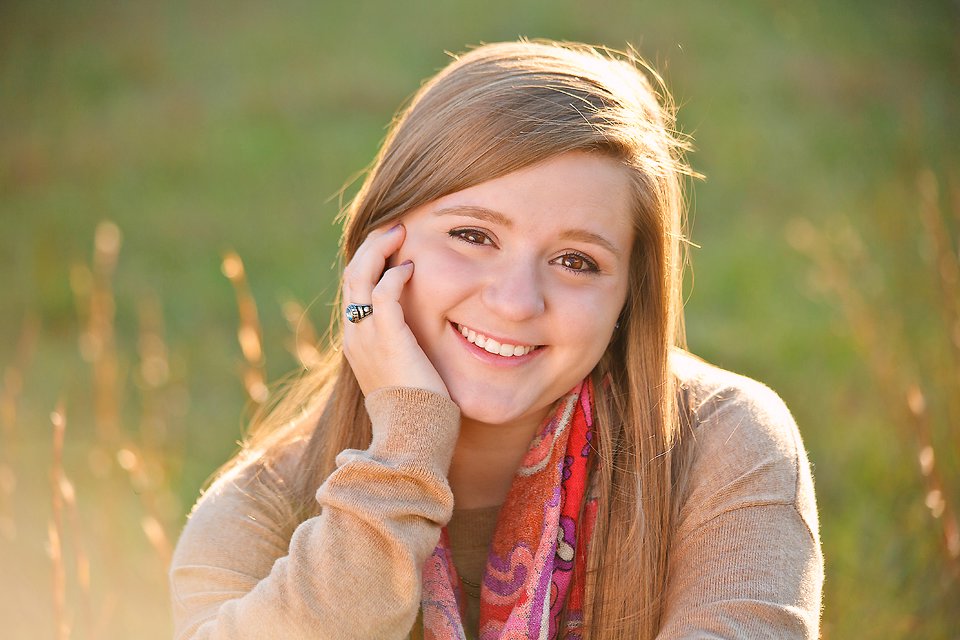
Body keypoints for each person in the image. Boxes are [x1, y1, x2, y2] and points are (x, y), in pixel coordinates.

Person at [170, 40, 823, 639]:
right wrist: (404, 449)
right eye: (473, 235)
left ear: (629, 295)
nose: (515, 302)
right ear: (378, 246)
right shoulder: (258, 509)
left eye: (576, 261)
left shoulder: (721, 442)